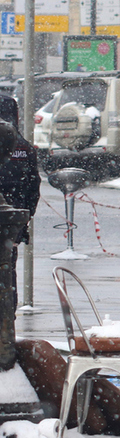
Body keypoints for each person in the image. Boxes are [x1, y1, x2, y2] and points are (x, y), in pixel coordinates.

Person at [0, 96, 39, 305]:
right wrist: (23, 219)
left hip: (10, 222)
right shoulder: (24, 147)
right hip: (11, 226)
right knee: (8, 276)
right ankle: (8, 324)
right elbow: (34, 188)